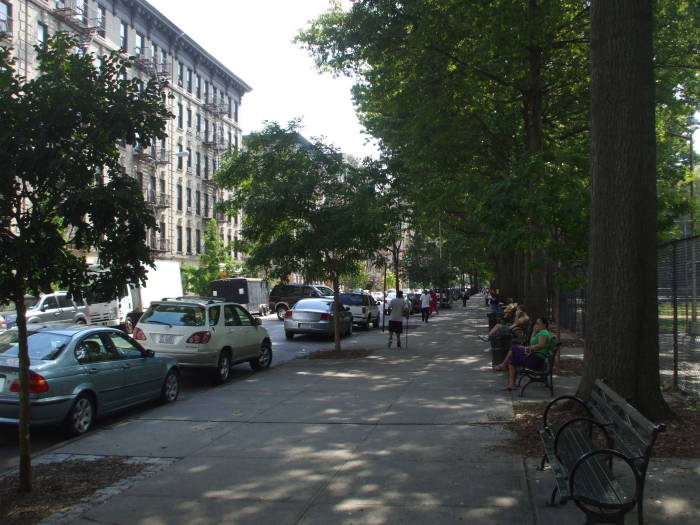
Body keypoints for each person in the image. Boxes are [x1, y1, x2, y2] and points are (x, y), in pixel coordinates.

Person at [493, 317, 553, 391]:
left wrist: (527, 349)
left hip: (536, 361)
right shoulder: (541, 332)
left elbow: (540, 345)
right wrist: (534, 331)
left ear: (544, 325)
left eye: (538, 324)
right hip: (534, 357)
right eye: (535, 324)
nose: (536, 325)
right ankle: (512, 385)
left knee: (514, 348)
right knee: (512, 359)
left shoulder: (544, 333)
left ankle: (503, 365)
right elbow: (532, 342)